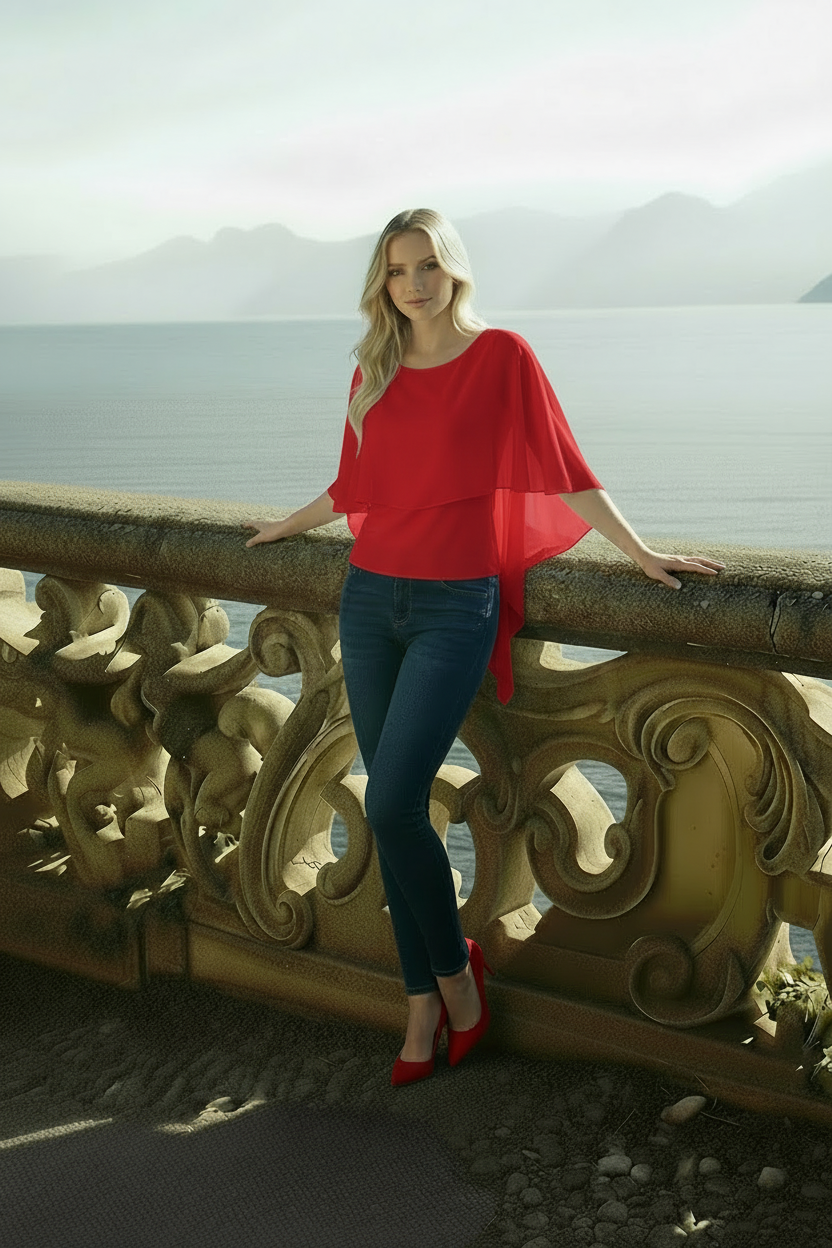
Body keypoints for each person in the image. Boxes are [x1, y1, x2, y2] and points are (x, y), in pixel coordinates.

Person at [244, 208, 723, 1087]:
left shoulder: (503, 357)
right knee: (394, 811)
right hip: (368, 598)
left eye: (427, 265)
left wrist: (643, 553)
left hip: (452, 608)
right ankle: (425, 996)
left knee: (391, 803)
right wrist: (282, 525)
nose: (414, 283)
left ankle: (455, 982)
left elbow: (565, 468)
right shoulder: (374, 367)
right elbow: (354, 486)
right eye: (396, 271)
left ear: (452, 269)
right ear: (382, 283)